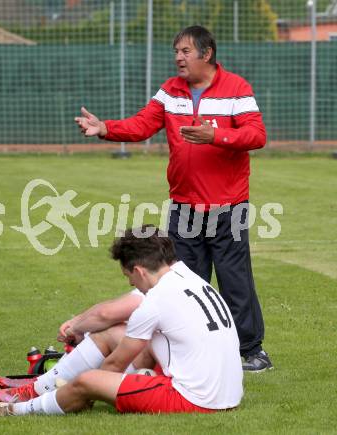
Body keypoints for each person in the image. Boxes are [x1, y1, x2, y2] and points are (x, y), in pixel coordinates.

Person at [74, 25, 271, 371]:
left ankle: (252, 351)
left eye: (185, 51)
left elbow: (256, 135)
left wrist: (216, 135)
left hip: (229, 206)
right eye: (176, 52)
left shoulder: (236, 88)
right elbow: (142, 125)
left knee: (234, 278)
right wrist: (105, 128)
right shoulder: (170, 90)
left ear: (206, 54)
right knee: (180, 281)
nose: (178, 58)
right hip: (184, 207)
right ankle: (186, 348)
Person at [0, 226, 243, 418]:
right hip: (224, 391)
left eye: (129, 277)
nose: (130, 283)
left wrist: (87, 389)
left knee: (88, 380)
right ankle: (38, 387)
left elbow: (112, 366)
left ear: (138, 270)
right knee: (114, 336)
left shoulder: (156, 299)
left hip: (194, 399)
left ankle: (15, 410)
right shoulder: (187, 276)